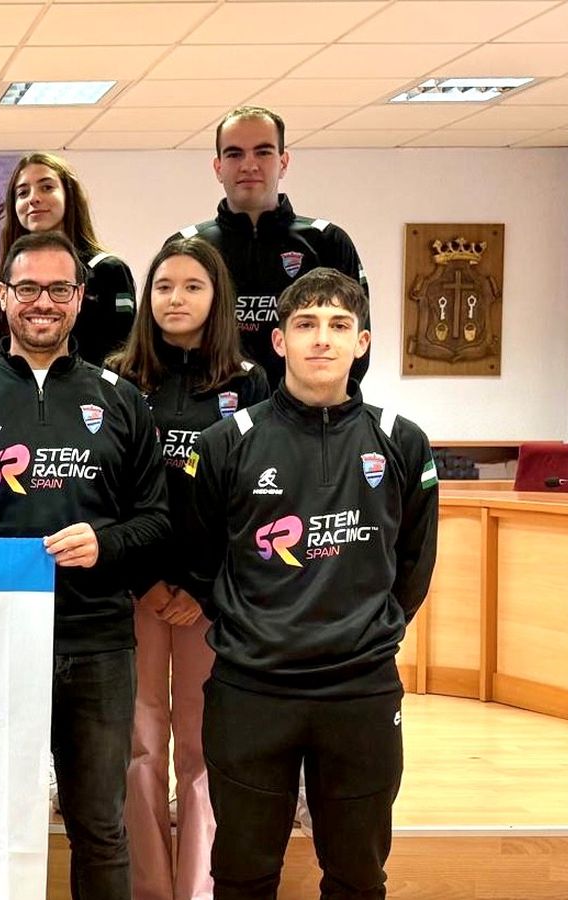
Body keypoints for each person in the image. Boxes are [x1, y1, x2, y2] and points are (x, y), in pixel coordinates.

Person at [0, 230, 169, 900]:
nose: (43, 303)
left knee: (99, 826)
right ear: (3, 296)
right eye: (27, 288)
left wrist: (106, 544)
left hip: (96, 646)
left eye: (59, 289)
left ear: (81, 298)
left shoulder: (121, 400)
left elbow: (157, 522)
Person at [183, 268, 438, 900]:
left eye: (338, 325)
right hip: (252, 690)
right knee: (241, 875)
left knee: (357, 875)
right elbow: (199, 559)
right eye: (305, 324)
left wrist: (364, 632)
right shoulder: (226, 443)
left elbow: (414, 563)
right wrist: (253, 626)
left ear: (362, 342)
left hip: (361, 691)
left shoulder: (402, 440)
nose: (321, 339)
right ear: (279, 342)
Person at [105, 238, 269, 900]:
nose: (176, 298)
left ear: (217, 297)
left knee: (203, 751)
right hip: (137, 591)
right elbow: (110, 493)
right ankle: (150, 888)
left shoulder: (250, 383)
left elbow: (256, 497)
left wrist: (201, 586)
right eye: (164, 285)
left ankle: (199, 889)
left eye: (192, 286)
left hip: (210, 598)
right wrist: (145, 579)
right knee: (141, 748)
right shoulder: (116, 377)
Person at [175, 105, 369, 389]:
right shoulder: (187, 247)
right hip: (210, 413)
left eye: (263, 152)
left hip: (301, 415)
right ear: (218, 167)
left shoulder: (327, 242)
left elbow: (353, 338)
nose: (249, 165)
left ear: (284, 162)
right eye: (234, 153)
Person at [0, 151, 134, 366]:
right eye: (23, 192)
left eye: (47, 187)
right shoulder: (8, 276)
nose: (33, 198)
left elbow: (122, 353)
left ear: (69, 195)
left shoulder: (108, 270)